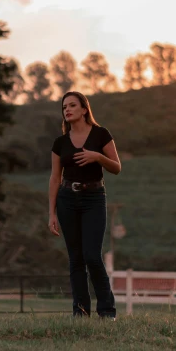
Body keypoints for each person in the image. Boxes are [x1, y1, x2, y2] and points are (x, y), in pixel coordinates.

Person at [49, 91, 121, 319]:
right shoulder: (60, 143)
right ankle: (80, 313)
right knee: (76, 258)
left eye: (72, 105)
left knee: (92, 255)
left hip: (94, 198)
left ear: (84, 109)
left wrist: (97, 157)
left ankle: (107, 311)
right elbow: (54, 178)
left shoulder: (101, 134)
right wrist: (51, 212)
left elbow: (117, 167)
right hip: (67, 200)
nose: (67, 110)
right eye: (64, 107)